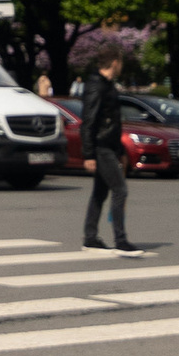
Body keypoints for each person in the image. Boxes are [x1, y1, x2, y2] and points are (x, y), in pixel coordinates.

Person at [80, 42, 134, 251]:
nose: (122, 67)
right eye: (121, 62)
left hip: (109, 146)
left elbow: (112, 122)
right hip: (101, 147)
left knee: (100, 193)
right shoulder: (96, 85)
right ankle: (120, 240)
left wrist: (120, 151)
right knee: (120, 190)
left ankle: (90, 237)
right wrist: (89, 154)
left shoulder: (108, 85)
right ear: (114, 62)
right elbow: (89, 121)